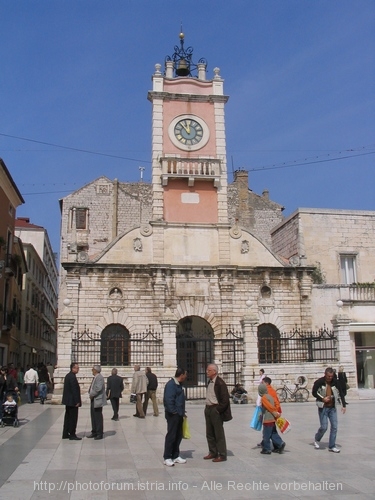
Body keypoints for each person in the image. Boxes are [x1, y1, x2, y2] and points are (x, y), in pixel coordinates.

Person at [312, 367, 347, 453]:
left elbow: (341, 393)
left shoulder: (335, 382)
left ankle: (332, 446)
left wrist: (344, 405)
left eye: (331, 376)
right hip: (323, 407)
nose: (330, 378)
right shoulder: (319, 382)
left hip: (332, 408)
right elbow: (314, 392)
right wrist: (322, 398)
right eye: (328, 376)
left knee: (334, 427)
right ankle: (317, 438)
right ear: (325, 374)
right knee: (324, 427)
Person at [204, 363, 232, 463]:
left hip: (215, 409)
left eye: (209, 370)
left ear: (214, 371)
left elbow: (225, 400)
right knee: (209, 432)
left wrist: (217, 410)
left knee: (218, 433)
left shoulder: (220, 383)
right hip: (208, 408)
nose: (207, 372)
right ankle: (213, 452)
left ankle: (222, 454)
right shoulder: (210, 381)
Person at [163, 367, 187, 467]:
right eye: (185, 375)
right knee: (171, 435)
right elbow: (168, 400)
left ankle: (175, 455)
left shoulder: (179, 385)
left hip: (179, 414)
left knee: (178, 435)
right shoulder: (171, 385)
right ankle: (167, 457)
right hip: (173, 415)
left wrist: (182, 412)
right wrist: (174, 411)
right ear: (181, 375)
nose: (186, 377)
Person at [258, 383, 285, 455]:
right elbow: (276, 403)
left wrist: (274, 412)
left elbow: (268, 406)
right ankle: (280, 443)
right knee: (273, 433)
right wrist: (276, 411)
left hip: (268, 419)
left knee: (266, 435)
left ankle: (267, 449)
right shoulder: (269, 396)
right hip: (272, 419)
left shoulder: (264, 398)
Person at [62, 363, 82, 440]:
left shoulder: (68, 376)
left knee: (67, 417)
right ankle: (72, 434)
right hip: (72, 401)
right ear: (73, 368)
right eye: (77, 368)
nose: (78, 369)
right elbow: (74, 390)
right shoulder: (72, 377)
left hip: (68, 401)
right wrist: (77, 401)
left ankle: (65, 433)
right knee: (73, 418)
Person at [87, 365, 106, 440]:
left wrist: (92, 394)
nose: (92, 370)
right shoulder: (95, 377)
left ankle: (99, 433)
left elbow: (98, 388)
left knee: (98, 416)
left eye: (93, 369)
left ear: (95, 370)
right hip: (94, 399)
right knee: (93, 416)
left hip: (97, 399)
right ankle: (94, 431)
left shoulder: (99, 377)